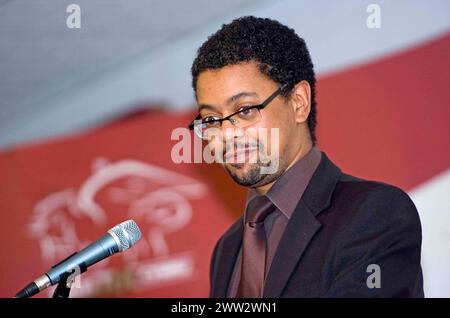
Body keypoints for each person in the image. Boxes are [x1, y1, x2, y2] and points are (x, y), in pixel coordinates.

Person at [188, 16, 424, 298]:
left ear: (299, 102)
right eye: (212, 119)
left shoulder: (375, 214)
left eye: (245, 110)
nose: (226, 133)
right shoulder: (227, 250)